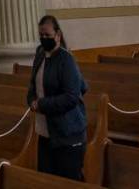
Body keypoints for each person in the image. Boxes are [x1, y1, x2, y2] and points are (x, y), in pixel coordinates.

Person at [26, 14, 87, 178]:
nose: (44, 39)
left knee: (67, 182)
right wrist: (31, 100)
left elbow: (72, 97)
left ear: (58, 35)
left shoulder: (66, 60)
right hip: (45, 133)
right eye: (41, 35)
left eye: (47, 35)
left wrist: (42, 104)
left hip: (67, 135)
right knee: (47, 181)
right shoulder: (40, 53)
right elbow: (33, 84)